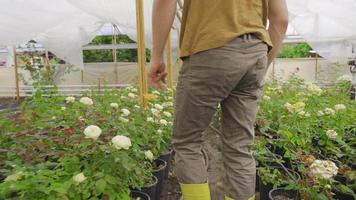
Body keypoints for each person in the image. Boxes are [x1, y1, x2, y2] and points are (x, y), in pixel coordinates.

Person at [150, 0, 288, 199]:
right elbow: (281, 20)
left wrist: (156, 56)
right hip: (256, 50)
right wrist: (262, 65)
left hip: (209, 47)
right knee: (239, 147)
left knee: (187, 141)